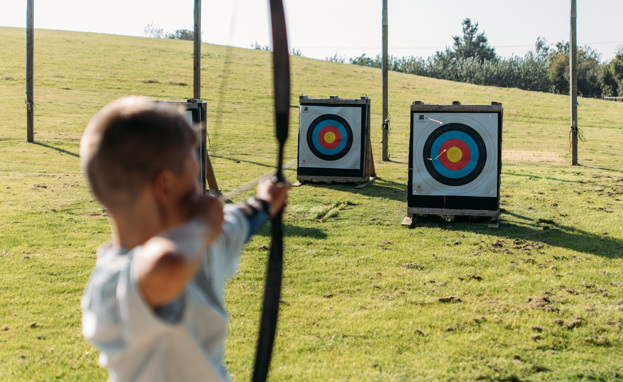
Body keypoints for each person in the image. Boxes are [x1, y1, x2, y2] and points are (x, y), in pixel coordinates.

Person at [79, 96, 290, 382]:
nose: (199, 193)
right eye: (193, 180)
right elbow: (168, 266)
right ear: (164, 186)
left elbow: (237, 223)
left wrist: (264, 203)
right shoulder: (112, 282)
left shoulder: (197, 243)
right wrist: (203, 225)